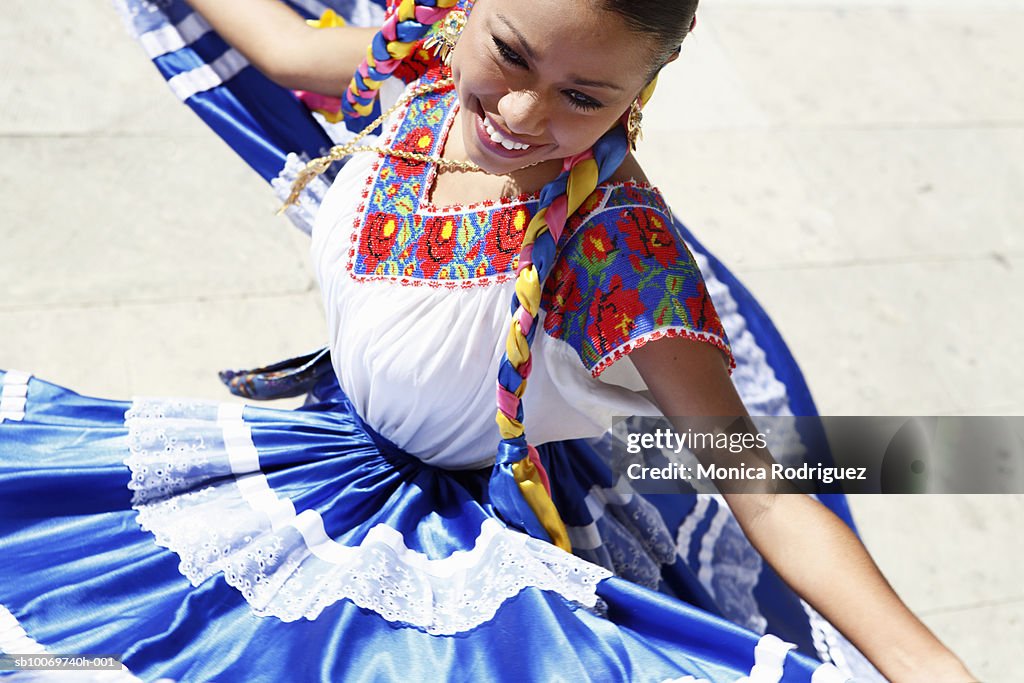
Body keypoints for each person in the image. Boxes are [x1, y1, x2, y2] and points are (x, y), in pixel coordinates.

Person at [0, 0, 976, 681]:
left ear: (647, 80)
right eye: (510, 54)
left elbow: (760, 492)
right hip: (321, 460)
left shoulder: (616, 249)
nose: (521, 114)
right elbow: (294, 53)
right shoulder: (423, 48)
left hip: (451, 550)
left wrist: (932, 668)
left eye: (584, 97)